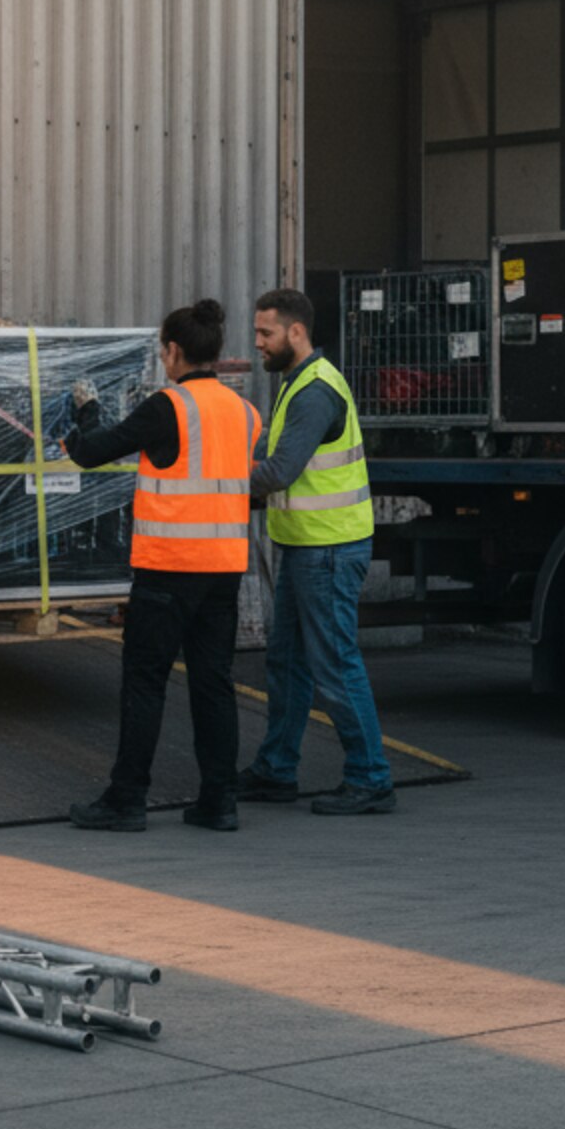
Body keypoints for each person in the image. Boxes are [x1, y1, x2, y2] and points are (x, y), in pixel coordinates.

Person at [62, 299, 261, 833]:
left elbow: (91, 453)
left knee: (145, 682)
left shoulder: (166, 406)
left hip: (168, 568)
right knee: (213, 684)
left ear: (173, 351)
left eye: (162, 350)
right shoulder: (245, 412)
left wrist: (83, 414)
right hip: (223, 568)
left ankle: (127, 799)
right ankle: (220, 802)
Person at [239, 288, 397, 816]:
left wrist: (214, 483)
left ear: (296, 332)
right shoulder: (298, 382)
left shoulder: (313, 392)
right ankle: (276, 770)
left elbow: (279, 470)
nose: (257, 342)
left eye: (266, 333)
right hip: (305, 544)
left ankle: (371, 777)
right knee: (286, 662)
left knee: (333, 665)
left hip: (328, 549)